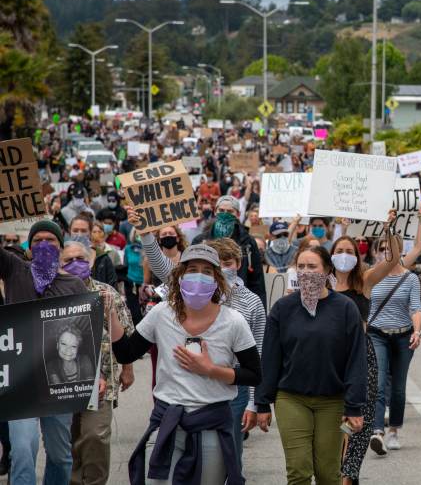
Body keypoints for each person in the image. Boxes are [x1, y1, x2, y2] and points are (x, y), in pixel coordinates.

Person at [109, 244, 263, 485]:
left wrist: (210, 370)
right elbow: (126, 353)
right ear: (180, 276)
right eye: (192, 269)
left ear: (217, 280)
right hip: (167, 421)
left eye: (207, 271)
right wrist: (111, 316)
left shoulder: (233, 321)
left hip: (212, 424)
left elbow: (254, 374)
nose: (198, 276)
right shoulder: (161, 313)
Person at [133, 206, 267, 472]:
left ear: (237, 266)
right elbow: (162, 265)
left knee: (231, 456)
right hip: (182, 398)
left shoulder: (250, 303)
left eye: (228, 264)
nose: (204, 275)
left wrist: (255, 401)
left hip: (231, 390)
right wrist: (146, 235)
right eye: (219, 264)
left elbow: (256, 359)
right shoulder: (190, 289)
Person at [255, 245, 366, 485]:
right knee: (299, 472)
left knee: (329, 474)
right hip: (291, 398)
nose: (306, 272)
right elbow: (270, 358)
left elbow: (356, 359)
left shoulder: (346, 308)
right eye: (301, 266)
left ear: (327, 270)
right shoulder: (283, 308)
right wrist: (262, 402)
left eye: (312, 267)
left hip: (333, 401)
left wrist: (354, 406)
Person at [0, 220, 88, 485]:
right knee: (24, 451)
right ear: (27, 249)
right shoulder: (14, 269)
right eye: (37, 241)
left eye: (51, 240)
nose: (44, 245)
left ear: (61, 247)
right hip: (20, 380)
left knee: (61, 456)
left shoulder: (74, 284)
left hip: (58, 382)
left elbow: (88, 337)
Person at [59, 240, 135, 485]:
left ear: (90, 261)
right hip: (60, 383)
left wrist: (128, 370)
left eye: (80, 258)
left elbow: (127, 333)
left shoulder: (107, 293)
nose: (75, 263)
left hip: (101, 384)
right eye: (68, 260)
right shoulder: (51, 295)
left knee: (94, 436)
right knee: (69, 440)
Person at [332, 209, 400, 484]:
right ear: (331, 254)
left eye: (350, 250)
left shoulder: (365, 282)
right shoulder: (321, 285)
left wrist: (389, 228)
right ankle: (334, 473)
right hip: (330, 360)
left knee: (357, 425)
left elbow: (393, 258)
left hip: (362, 358)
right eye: (340, 249)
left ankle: (348, 478)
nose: (345, 253)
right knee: (335, 426)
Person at [368, 231, 421, 454]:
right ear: (376, 253)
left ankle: (393, 432)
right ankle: (377, 433)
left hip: (403, 335)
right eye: (382, 249)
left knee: (398, 387)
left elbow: (417, 308)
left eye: (390, 248)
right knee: (379, 383)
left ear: (400, 251)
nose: (386, 252)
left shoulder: (410, 278)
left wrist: (417, 332)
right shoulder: (371, 275)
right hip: (377, 334)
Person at [192, 195, 267, 311]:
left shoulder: (248, 242)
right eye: (221, 210)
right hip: (206, 303)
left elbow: (257, 281)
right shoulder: (200, 241)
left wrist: (259, 310)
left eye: (230, 211)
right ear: (215, 211)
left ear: (238, 214)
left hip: (240, 304)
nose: (225, 214)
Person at [69, 213, 118, 289]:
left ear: (90, 233)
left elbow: (113, 288)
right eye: (75, 230)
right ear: (70, 232)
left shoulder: (103, 258)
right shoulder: (61, 257)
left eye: (84, 231)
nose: (79, 234)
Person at [123, 228, 144, 325]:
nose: (139, 234)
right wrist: (123, 287)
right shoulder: (128, 249)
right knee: (135, 314)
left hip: (145, 285)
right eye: (137, 232)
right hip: (131, 284)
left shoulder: (150, 249)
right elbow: (126, 267)